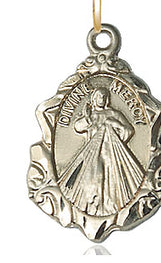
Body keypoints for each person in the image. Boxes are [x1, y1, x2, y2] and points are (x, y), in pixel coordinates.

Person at [57, 88, 145, 216]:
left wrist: (116, 124)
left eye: (104, 97)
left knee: (112, 182)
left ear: (107, 99)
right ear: (94, 98)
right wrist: (87, 118)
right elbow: (78, 127)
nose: (101, 99)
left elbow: (129, 130)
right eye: (99, 96)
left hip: (111, 153)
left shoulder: (114, 114)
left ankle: (110, 208)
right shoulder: (91, 115)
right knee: (93, 181)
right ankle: (93, 208)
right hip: (92, 155)